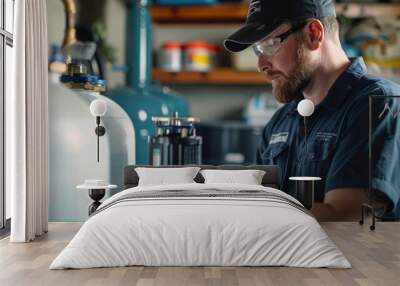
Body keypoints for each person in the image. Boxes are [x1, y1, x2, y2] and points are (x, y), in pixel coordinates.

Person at [224, 0, 400, 221]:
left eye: (269, 44)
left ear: (314, 34)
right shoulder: (280, 122)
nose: (261, 64)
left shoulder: (379, 104)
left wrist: (245, 213)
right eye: (257, 49)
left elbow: (348, 219)